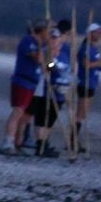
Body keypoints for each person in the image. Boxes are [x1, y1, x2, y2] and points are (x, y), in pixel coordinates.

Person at [1, 19, 51, 156]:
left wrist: (51, 60)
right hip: (22, 81)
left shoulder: (43, 46)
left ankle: (18, 142)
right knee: (17, 112)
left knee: (25, 116)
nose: (50, 34)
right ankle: (8, 143)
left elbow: (47, 66)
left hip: (33, 83)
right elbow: (38, 59)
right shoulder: (28, 42)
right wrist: (41, 46)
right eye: (48, 31)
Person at [32, 18, 75, 158]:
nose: (56, 42)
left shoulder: (65, 52)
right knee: (42, 119)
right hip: (45, 90)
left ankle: (44, 143)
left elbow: (68, 69)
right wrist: (52, 65)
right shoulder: (46, 52)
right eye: (53, 39)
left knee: (50, 120)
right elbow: (46, 68)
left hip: (59, 91)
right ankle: (40, 145)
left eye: (57, 39)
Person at [75, 22, 101, 152]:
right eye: (97, 32)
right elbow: (86, 65)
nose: (100, 35)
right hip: (85, 83)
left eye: (100, 33)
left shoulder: (94, 48)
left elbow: (95, 66)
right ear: (90, 34)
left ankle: (75, 139)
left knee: (83, 113)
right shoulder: (86, 48)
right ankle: (73, 139)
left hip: (92, 83)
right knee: (80, 113)